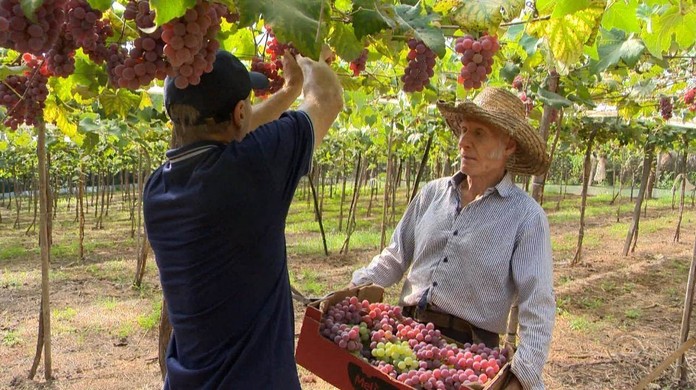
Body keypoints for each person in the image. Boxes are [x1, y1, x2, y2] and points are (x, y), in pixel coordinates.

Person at [143, 47, 343, 389]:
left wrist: (289, 91)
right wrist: (311, 56)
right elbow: (328, 98)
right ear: (238, 112)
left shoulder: (157, 188)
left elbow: (243, 130)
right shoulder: (251, 169)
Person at [350, 87, 555, 390]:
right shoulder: (432, 194)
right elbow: (395, 257)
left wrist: (521, 375)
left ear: (509, 145)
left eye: (479, 133)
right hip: (404, 337)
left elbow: (537, 305)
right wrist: (355, 286)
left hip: (467, 359)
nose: (463, 142)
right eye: (463, 130)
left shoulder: (526, 217)